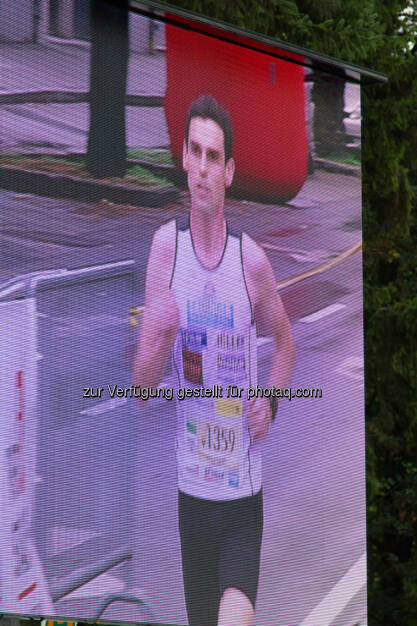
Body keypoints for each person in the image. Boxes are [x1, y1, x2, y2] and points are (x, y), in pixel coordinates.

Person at [134, 95, 295, 626]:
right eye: (194, 153)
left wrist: (269, 403)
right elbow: (142, 390)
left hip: (242, 494)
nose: (202, 169)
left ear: (228, 172)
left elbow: (285, 343)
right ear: (183, 158)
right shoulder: (165, 251)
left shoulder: (251, 262)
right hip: (191, 492)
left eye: (213, 158)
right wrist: (157, 336)